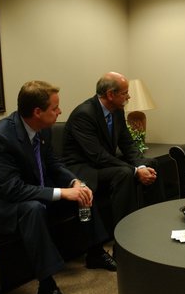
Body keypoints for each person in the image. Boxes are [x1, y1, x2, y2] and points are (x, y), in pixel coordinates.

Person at [0, 81, 117, 294]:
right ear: (37, 112)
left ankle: (95, 251)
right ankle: (47, 289)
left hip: (29, 187)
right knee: (33, 209)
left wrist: (73, 183)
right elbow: (12, 189)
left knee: (82, 189)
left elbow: (54, 164)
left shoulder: (42, 129)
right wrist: (60, 192)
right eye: (55, 108)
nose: (60, 112)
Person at [62, 72, 165, 234]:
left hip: (103, 164)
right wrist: (136, 171)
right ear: (110, 94)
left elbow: (128, 143)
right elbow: (97, 155)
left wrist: (142, 165)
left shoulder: (117, 110)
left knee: (151, 164)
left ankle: (156, 222)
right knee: (124, 173)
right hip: (84, 168)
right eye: (125, 93)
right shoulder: (84, 114)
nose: (128, 97)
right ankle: (126, 234)